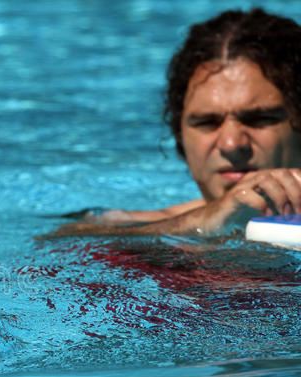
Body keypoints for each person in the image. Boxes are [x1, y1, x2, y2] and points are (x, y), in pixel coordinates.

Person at [58, 8, 301, 236]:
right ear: (180, 135)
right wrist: (203, 222)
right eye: (206, 122)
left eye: (259, 119)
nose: (230, 144)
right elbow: (61, 243)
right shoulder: (131, 230)